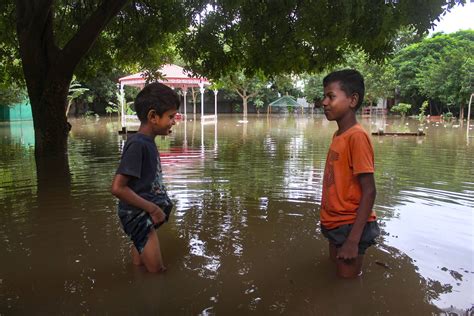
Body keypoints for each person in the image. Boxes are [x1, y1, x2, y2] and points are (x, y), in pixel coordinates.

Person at [111, 82, 179, 273]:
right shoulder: (138, 145)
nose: (174, 121)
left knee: (140, 266)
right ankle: (153, 300)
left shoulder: (146, 142)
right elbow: (118, 188)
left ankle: (137, 285)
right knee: (157, 272)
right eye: (171, 116)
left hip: (143, 215)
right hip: (139, 215)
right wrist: (154, 208)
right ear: (153, 117)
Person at [319, 69, 380, 278]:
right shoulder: (339, 134)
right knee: (334, 273)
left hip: (350, 225)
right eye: (324, 96)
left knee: (347, 283)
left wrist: (353, 241)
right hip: (335, 223)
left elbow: (370, 191)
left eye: (331, 96)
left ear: (352, 100)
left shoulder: (357, 137)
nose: (324, 102)